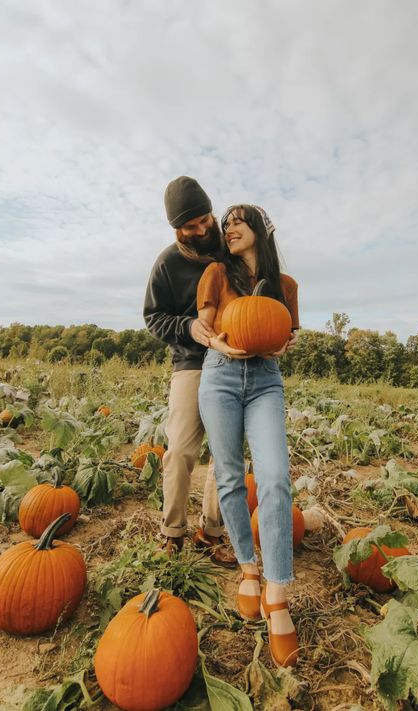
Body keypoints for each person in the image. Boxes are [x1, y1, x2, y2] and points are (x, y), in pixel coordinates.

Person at [197, 204, 300, 667]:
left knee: (275, 475)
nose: (229, 229)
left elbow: (287, 335)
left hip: (264, 380)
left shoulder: (287, 286)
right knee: (230, 476)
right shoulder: (217, 272)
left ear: (258, 228)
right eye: (226, 226)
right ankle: (248, 570)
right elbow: (204, 325)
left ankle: (277, 593)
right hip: (219, 376)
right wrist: (214, 340)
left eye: (238, 221)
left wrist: (284, 342)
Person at [143, 176, 238, 567]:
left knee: (225, 454)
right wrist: (186, 326)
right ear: (176, 227)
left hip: (233, 360)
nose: (201, 230)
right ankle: (173, 532)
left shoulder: (228, 247)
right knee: (180, 448)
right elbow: (153, 318)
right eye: (191, 225)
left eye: (205, 220)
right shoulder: (167, 262)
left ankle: (212, 531)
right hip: (191, 363)